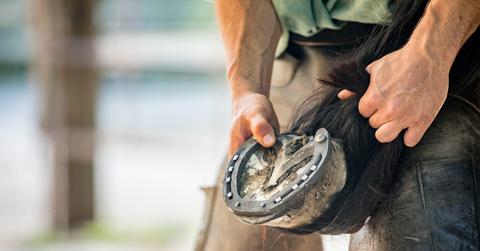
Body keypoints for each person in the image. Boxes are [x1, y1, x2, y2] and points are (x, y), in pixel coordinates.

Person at [195, 0, 480, 250]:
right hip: (289, 58)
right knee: (240, 231)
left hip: (430, 53)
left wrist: (431, 54)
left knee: (414, 231)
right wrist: (246, 89)